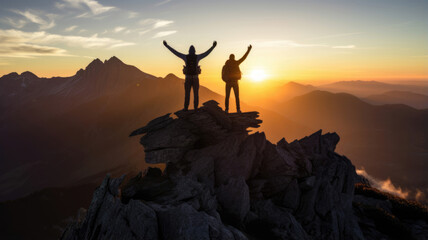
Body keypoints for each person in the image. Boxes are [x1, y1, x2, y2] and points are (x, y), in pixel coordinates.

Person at [163, 40, 217, 111]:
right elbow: (206, 53)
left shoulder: (185, 57)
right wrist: (213, 47)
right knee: (196, 94)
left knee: (187, 95)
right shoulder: (198, 57)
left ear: (189, 51)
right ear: (195, 51)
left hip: (187, 78)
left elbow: (175, 52)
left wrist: (166, 46)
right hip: (195, 78)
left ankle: (186, 109)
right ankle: (195, 109)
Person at [222, 45, 252, 113]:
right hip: (235, 82)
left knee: (227, 96)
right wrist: (248, 50)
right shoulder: (236, 63)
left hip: (228, 83)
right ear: (233, 57)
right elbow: (244, 58)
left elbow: (223, 75)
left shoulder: (226, 65)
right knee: (237, 97)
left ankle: (226, 109)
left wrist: (226, 80)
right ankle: (238, 109)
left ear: (229, 58)